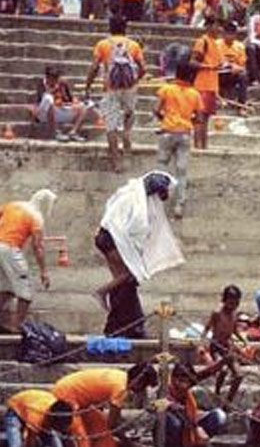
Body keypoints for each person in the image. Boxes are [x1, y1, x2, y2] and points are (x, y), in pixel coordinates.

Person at [94, 173, 183, 338]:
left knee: (125, 283)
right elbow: (130, 227)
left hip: (110, 238)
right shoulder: (135, 200)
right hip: (110, 239)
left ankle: (124, 327)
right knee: (129, 275)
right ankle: (102, 292)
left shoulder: (134, 194)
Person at [85, 16, 146, 172]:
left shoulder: (103, 44)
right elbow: (143, 68)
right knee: (129, 113)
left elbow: (93, 67)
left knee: (111, 125)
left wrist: (88, 85)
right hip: (129, 87)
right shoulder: (133, 45)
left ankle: (116, 162)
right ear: (126, 28)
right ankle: (126, 133)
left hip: (110, 88)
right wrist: (135, 80)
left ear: (110, 28)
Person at [51, 365, 158, 447]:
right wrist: (127, 441)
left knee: (103, 433)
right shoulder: (120, 389)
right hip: (66, 395)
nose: (143, 390)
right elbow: (112, 424)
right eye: (144, 386)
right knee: (82, 438)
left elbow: (110, 424)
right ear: (137, 381)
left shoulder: (122, 378)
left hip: (82, 402)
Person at [0, 190, 55, 333]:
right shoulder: (36, 217)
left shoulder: (12, 205)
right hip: (10, 249)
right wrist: (44, 271)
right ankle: (16, 327)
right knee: (26, 291)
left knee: (7, 289)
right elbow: (38, 246)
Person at [154, 63, 202, 219]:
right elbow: (200, 118)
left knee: (162, 166)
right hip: (185, 134)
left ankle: (161, 195)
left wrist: (164, 120)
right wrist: (188, 121)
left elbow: (156, 109)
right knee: (181, 171)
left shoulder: (166, 89)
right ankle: (179, 205)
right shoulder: (195, 94)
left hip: (167, 131)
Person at [163, 363, 229, 447]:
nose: (184, 385)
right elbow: (173, 407)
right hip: (175, 426)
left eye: (187, 381)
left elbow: (206, 372)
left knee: (218, 415)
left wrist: (198, 420)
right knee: (174, 423)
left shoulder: (188, 393)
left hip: (190, 424)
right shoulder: (166, 390)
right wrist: (196, 426)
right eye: (181, 380)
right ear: (174, 378)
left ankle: (197, 442)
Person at [201, 284, 245, 402]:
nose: (233, 306)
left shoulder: (234, 314)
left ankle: (228, 402)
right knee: (223, 371)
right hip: (216, 346)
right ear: (225, 300)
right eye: (231, 302)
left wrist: (244, 341)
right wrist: (202, 343)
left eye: (236, 303)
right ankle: (217, 392)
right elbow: (207, 329)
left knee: (239, 375)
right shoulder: (217, 313)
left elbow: (234, 330)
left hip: (227, 348)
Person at [31, 65, 94, 141]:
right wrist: (54, 90)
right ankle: (54, 132)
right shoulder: (41, 84)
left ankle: (73, 132)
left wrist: (74, 103)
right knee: (48, 98)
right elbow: (40, 101)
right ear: (47, 77)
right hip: (45, 114)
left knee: (89, 104)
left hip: (60, 111)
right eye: (53, 77)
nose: (55, 80)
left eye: (56, 77)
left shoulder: (62, 84)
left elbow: (69, 99)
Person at [4, 390, 83, 447]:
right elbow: (30, 441)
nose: (60, 431)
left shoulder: (71, 418)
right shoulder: (36, 417)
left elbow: (74, 441)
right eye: (59, 428)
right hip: (16, 409)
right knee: (15, 444)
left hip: (37, 406)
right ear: (52, 421)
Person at [189, 19, 222, 151]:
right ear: (208, 26)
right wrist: (209, 66)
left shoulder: (214, 43)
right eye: (216, 25)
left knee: (206, 119)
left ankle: (204, 147)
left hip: (212, 85)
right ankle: (197, 147)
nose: (218, 29)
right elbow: (192, 62)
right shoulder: (202, 41)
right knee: (199, 118)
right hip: (202, 84)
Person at [218, 21, 249, 110]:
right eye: (227, 33)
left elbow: (242, 64)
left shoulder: (239, 46)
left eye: (232, 34)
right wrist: (230, 65)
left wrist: (236, 68)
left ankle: (242, 104)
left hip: (233, 74)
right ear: (223, 33)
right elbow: (217, 61)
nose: (229, 36)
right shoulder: (217, 44)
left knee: (243, 76)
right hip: (219, 73)